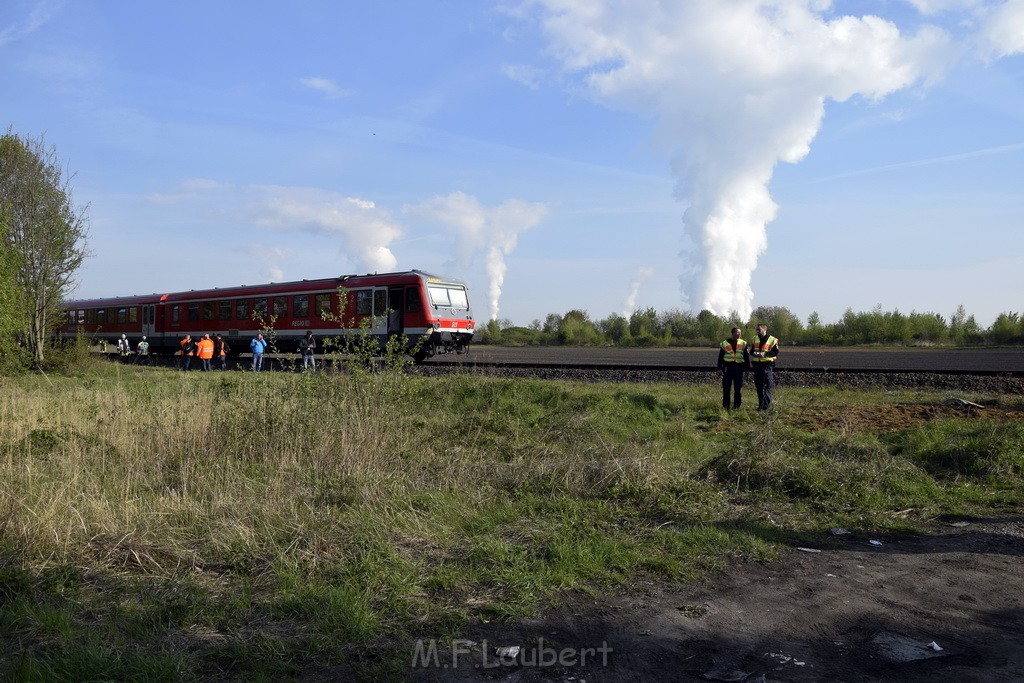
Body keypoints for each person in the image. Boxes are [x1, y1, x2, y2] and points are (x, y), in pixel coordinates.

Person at [717, 326, 749, 410]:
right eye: (737, 332)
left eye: (740, 332)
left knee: (738, 388)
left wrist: (747, 369)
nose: (739, 334)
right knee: (726, 388)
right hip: (728, 368)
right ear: (733, 333)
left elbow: (746, 356)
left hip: (739, 368)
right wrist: (719, 368)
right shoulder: (725, 343)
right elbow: (720, 356)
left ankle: (737, 406)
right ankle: (726, 406)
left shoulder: (743, 343)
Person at [750, 323, 780, 411]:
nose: (757, 331)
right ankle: (761, 406)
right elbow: (751, 351)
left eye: (759, 330)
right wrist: (756, 354)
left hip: (767, 365)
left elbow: (775, 352)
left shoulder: (773, 339)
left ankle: (767, 407)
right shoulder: (755, 338)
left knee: (767, 386)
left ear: (764, 330)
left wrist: (765, 354)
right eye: (757, 330)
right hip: (757, 365)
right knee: (759, 387)